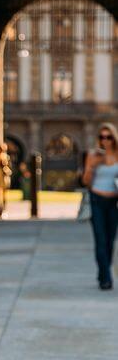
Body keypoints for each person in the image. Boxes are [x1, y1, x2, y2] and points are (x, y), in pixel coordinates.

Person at [81, 122, 118, 290]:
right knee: (101, 240)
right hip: (97, 200)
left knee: (110, 241)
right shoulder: (92, 155)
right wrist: (92, 166)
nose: (105, 141)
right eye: (102, 137)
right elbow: (86, 181)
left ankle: (103, 271)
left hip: (114, 203)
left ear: (114, 138)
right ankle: (106, 279)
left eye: (108, 137)